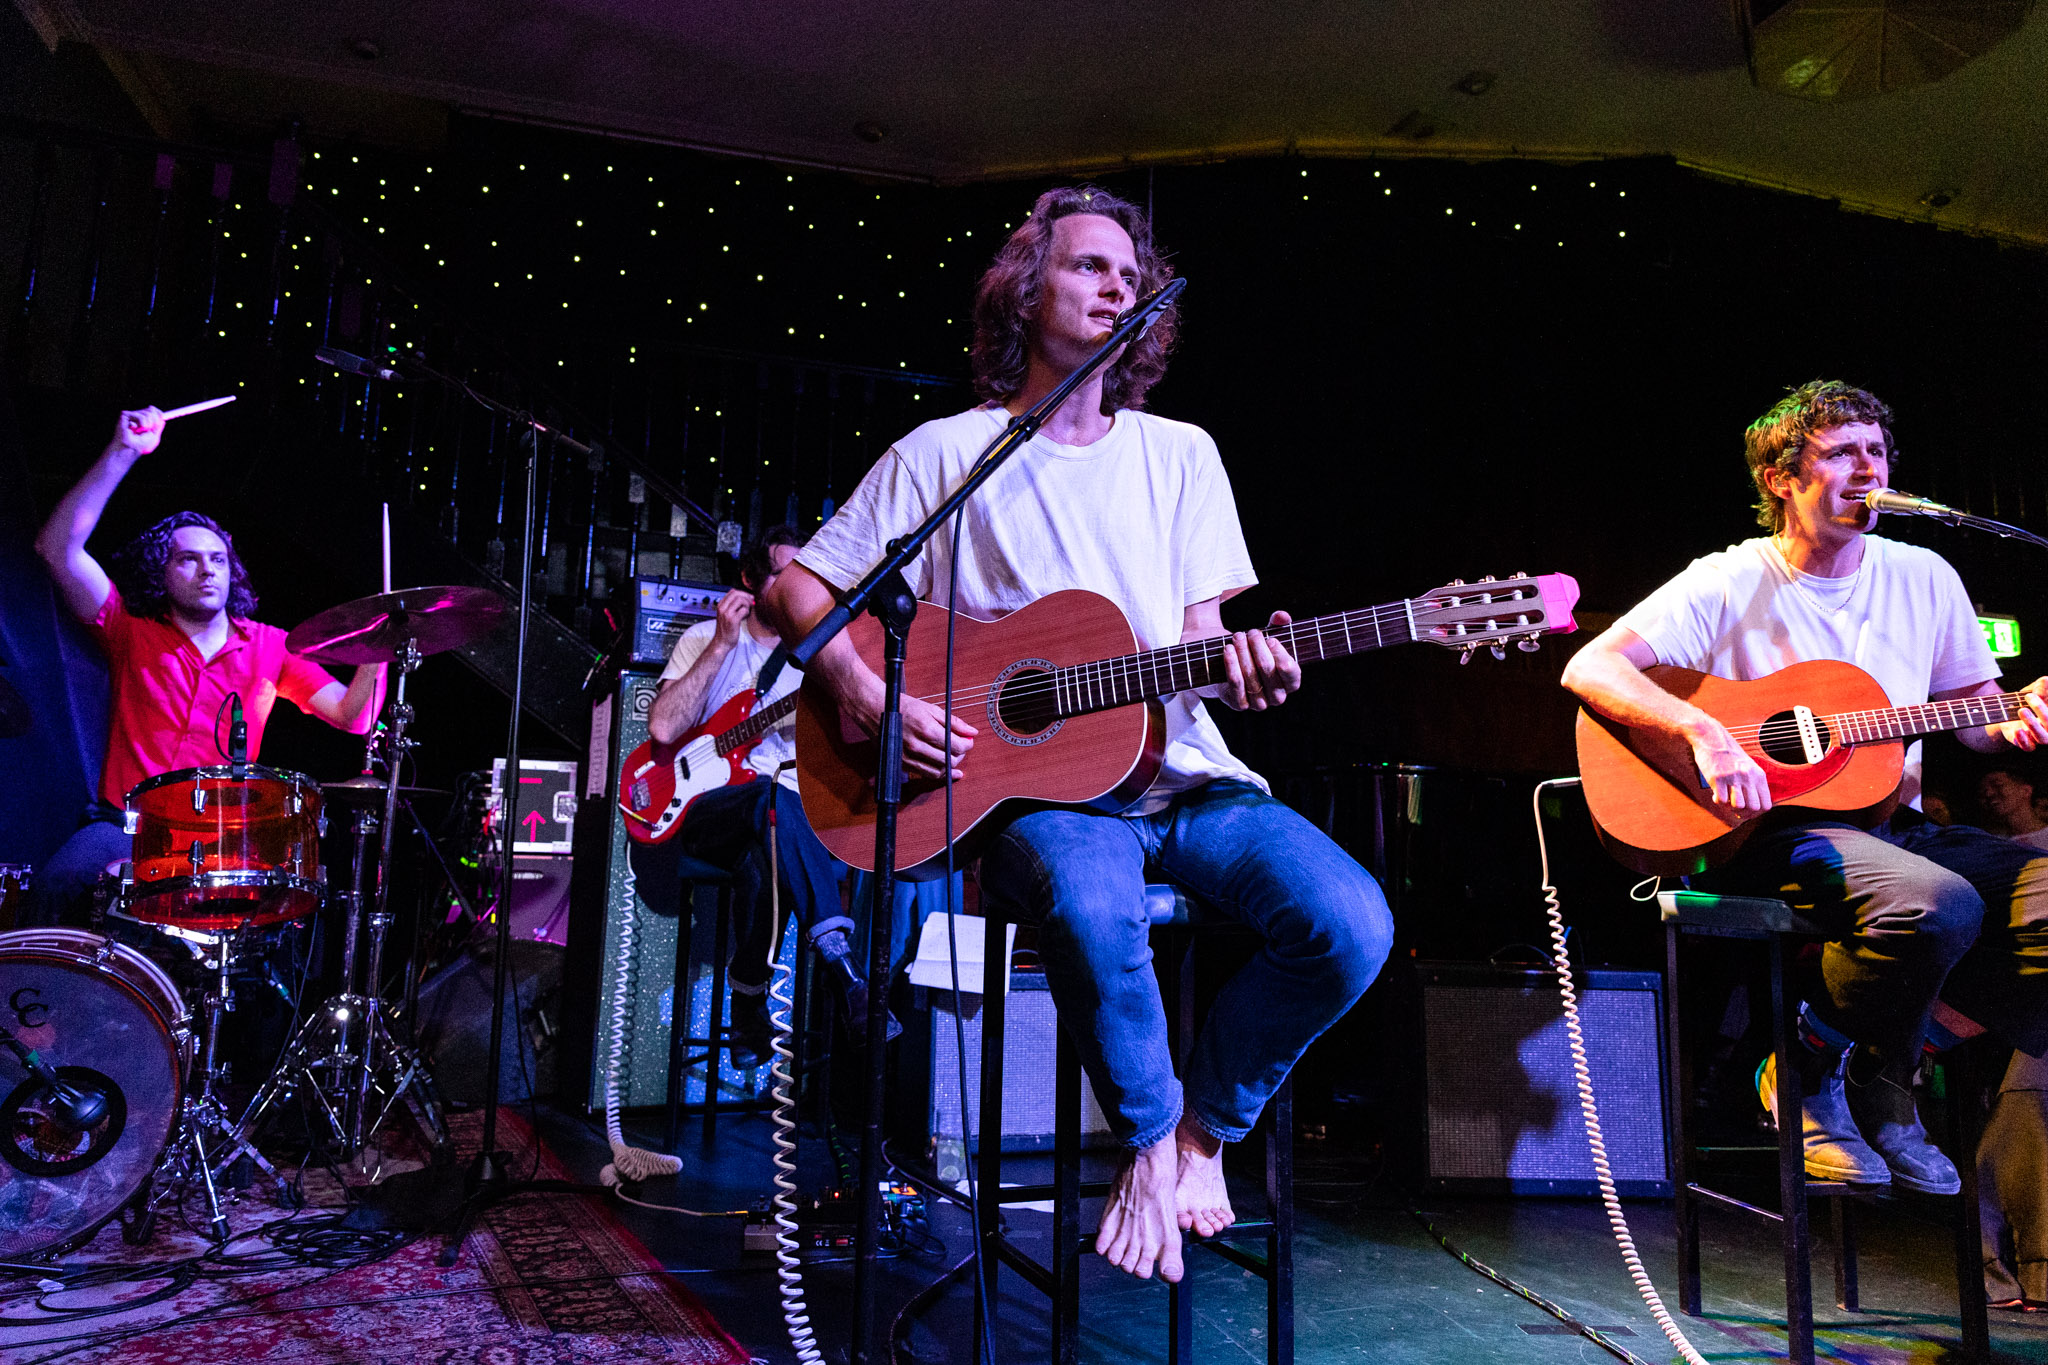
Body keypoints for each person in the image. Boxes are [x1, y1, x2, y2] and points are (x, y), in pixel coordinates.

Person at [763, 184, 1393, 1283]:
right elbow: (796, 590)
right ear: (1024, 291)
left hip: (1185, 777)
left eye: (1129, 274)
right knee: (1096, 906)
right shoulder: (946, 453)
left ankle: (1196, 1135)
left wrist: (1244, 667)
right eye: (1088, 266)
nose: (1116, 286)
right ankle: (1145, 1149)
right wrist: (868, 695)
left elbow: (1199, 635)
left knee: (1349, 923)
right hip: (1036, 795)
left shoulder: (1181, 454)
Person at [1562, 380, 2048, 1194]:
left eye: (1877, 451)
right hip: (1770, 829)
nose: (1868, 468)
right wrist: (1705, 732)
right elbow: (1592, 666)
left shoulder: (1925, 575)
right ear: (1781, 478)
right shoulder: (1729, 579)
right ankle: (1809, 1070)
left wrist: (2021, 714)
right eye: (1841, 452)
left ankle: (1869, 1061)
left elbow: (1976, 720)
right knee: (1940, 904)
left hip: (1893, 825)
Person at [28, 406, 385, 927]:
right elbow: (57, 548)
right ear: (162, 570)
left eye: (217, 559)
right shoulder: (131, 628)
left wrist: (378, 649)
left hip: (220, 839)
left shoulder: (273, 646)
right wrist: (124, 452)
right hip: (127, 827)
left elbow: (354, 717)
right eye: (188, 559)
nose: (207, 570)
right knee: (60, 882)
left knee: (274, 921)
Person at [632, 525, 883, 1066]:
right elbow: (663, 726)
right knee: (768, 803)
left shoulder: (824, 656)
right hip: (706, 809)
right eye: (780, 574)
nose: (793, 585)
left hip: (783, 818)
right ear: (749, 578)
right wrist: (722, 645)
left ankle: (749, 996)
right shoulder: (703, 638)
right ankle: (840, 964)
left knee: (763, 852)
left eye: (803, 574)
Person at [1979, 763, 2048, 851]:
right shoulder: (1989, 845)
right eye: (1982, 791)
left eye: (1998, 785)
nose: (1988, 794)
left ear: (2026, 791)